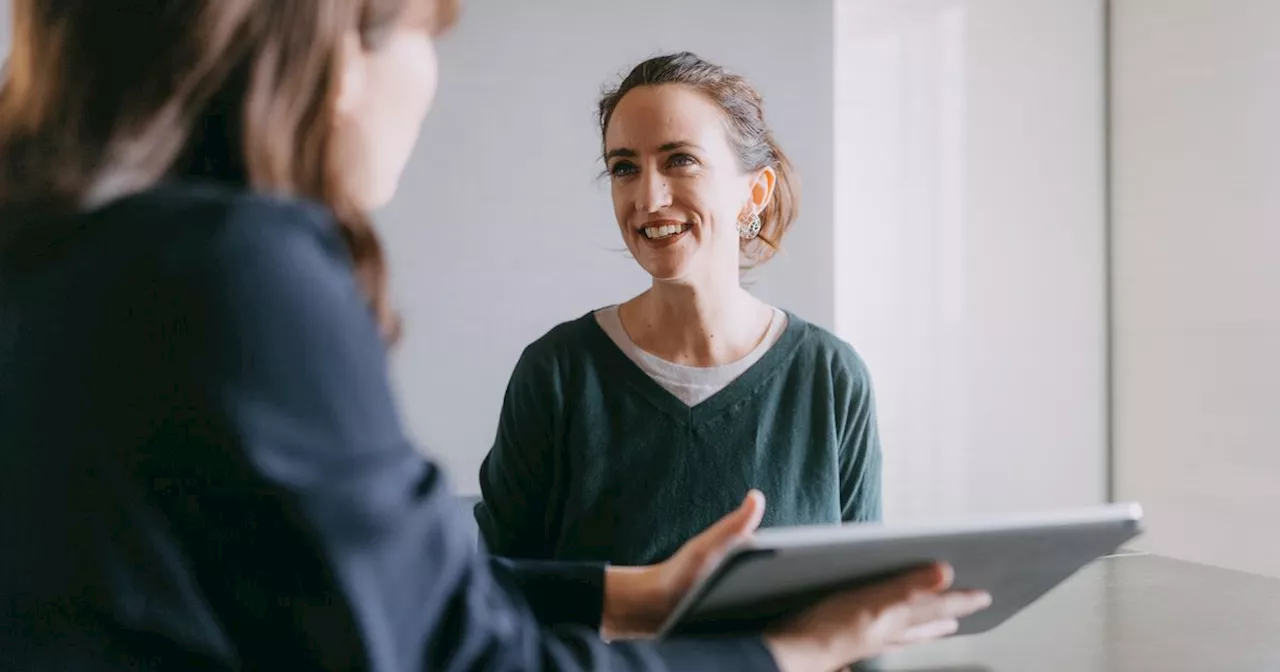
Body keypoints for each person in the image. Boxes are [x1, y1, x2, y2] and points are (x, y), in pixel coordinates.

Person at [0, 2, 989, 670]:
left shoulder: (67, 254)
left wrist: (626, 595)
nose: (647, 195)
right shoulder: (237, 271)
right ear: (338, 49)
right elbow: (453, 648)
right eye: (426, 32)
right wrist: (785, 653)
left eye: (678, 161)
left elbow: (391, 591)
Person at [476, 52, 883, 567]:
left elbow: (862, 604)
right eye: (624, 168)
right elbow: (493, 600)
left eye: (679, 160)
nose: (647, 197)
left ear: (754, 193)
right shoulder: (556, 373)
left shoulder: (830, 377)